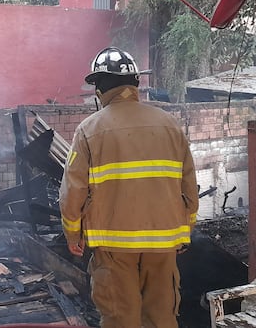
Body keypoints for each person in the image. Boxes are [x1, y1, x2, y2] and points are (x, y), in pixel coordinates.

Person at [59, 47, 199, 328]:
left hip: (113, 247)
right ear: (135, 84)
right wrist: (184, 233)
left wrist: (73, 234)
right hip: (163, 244)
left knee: (121, 319)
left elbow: (72, 192)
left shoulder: (88, 129)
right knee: (161, 318)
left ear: (99, 88)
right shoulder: (170, 125)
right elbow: (189, 190)